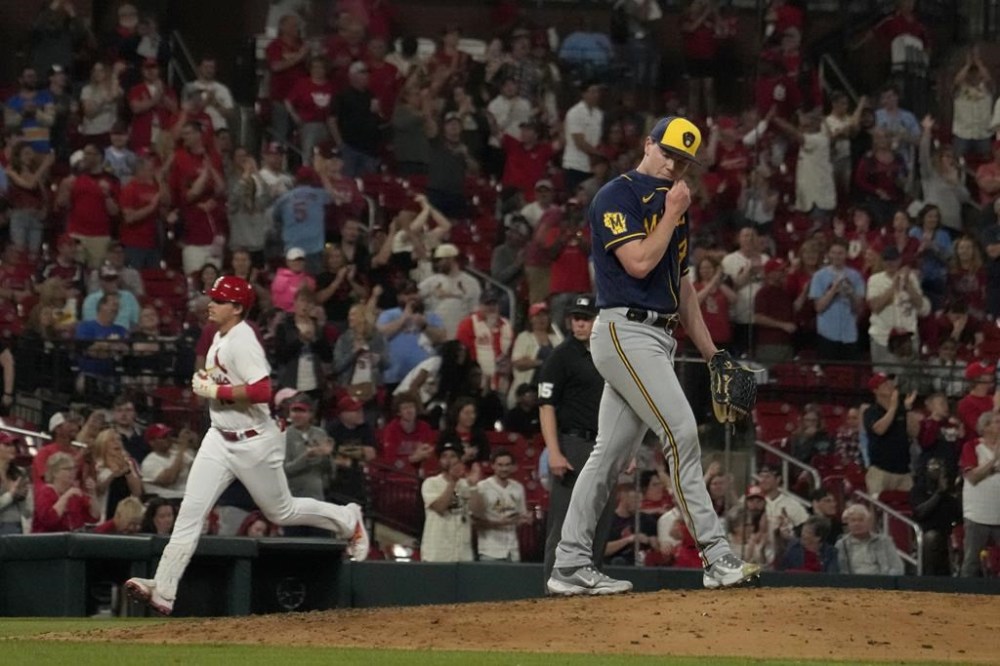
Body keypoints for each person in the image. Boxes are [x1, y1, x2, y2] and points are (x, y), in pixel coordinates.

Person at [548, 117, 762, 597]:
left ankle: (569, 564)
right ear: (647, 145)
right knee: (681, 432)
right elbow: (639, 262)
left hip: (659, 335)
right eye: (667, 153)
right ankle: (715, 554)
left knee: (608, 457)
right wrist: (672, 212)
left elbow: (683, 288)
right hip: (624, 329)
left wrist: (713, 356)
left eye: (682, 160)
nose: (672, 164)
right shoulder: (615, 196)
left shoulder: (675, 204)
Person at [125, 276, 368, 616]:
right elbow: (227, 381)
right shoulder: (218, 337)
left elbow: (261, 390)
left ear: (237, 308)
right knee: (189, 515)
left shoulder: (243, 340)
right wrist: (211, 383)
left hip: (253, 441)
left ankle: (347, 518)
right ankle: (164, 589)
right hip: (219, 438)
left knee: (280, 512)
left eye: (219, 299)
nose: (211, 303)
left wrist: (217, 392)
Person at [538, 294, 613, 584]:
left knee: (601, 517)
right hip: (574, 444)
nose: (580, 323)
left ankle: (591, 580)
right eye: (576, 318)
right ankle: (552, 584)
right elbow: (546, 405)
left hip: (605, 443)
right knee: (564, 518)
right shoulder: (561, 356)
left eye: (586, 318)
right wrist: (554, 452)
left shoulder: (607, 352)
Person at [420, 442, 480, 562]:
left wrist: (473, 486)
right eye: (444, 456)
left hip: (462, 553)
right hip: (437, 553)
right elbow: (440, 508)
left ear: (459, 460)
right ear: (440, 461)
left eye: (453, 456)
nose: (448, 460)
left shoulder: (465, 484)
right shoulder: (431, 483)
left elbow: (477, 512)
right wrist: (453, 481)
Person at [959, 411, 1000, 577]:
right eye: (997, 422)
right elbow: (973, 477)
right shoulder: (972, 446)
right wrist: (993, 462)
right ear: (985, 427)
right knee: (971, 562)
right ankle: (962, 598)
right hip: (978, 515)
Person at [471, 448, 531, 561]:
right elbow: (475, 521)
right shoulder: (482, 487)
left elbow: (520, 517)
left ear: (513, 466)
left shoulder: (518, 487)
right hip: (489, 550)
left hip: (512, 550)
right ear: (493, 465)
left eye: (507, 465)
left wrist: (525, 519)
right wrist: (500, 523)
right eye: (500, 465)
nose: (504, 469)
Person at [834, 504, 904, 575]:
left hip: (881, 583)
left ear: (869, 522)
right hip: (853, 584)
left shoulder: (884, 541)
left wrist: (886, 582)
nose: (857, 524)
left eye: (861, 520)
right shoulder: (842, 544)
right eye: (853, 520)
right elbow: (840, 571)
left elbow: (897, 568)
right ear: (848, 524)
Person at [0, 433, 31, 534]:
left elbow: (28, 511)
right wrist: (11, 495)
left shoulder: (20, 472)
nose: (12, 448)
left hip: (18, 525)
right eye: (7, 445)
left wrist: (23, 496)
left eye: (13, 445)